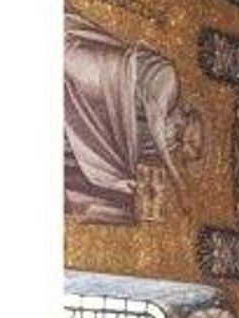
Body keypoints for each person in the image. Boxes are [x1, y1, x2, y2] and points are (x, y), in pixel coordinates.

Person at [64, 19, 204, 227]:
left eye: (188, 148)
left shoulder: (168, 138)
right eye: (193, 138)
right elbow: (156, 123)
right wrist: (178, 182)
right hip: (112, 72)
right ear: (190, 118)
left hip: (112, 106)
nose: (186, 143)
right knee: (68, 60)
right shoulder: (170, 81)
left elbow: (139, 147)